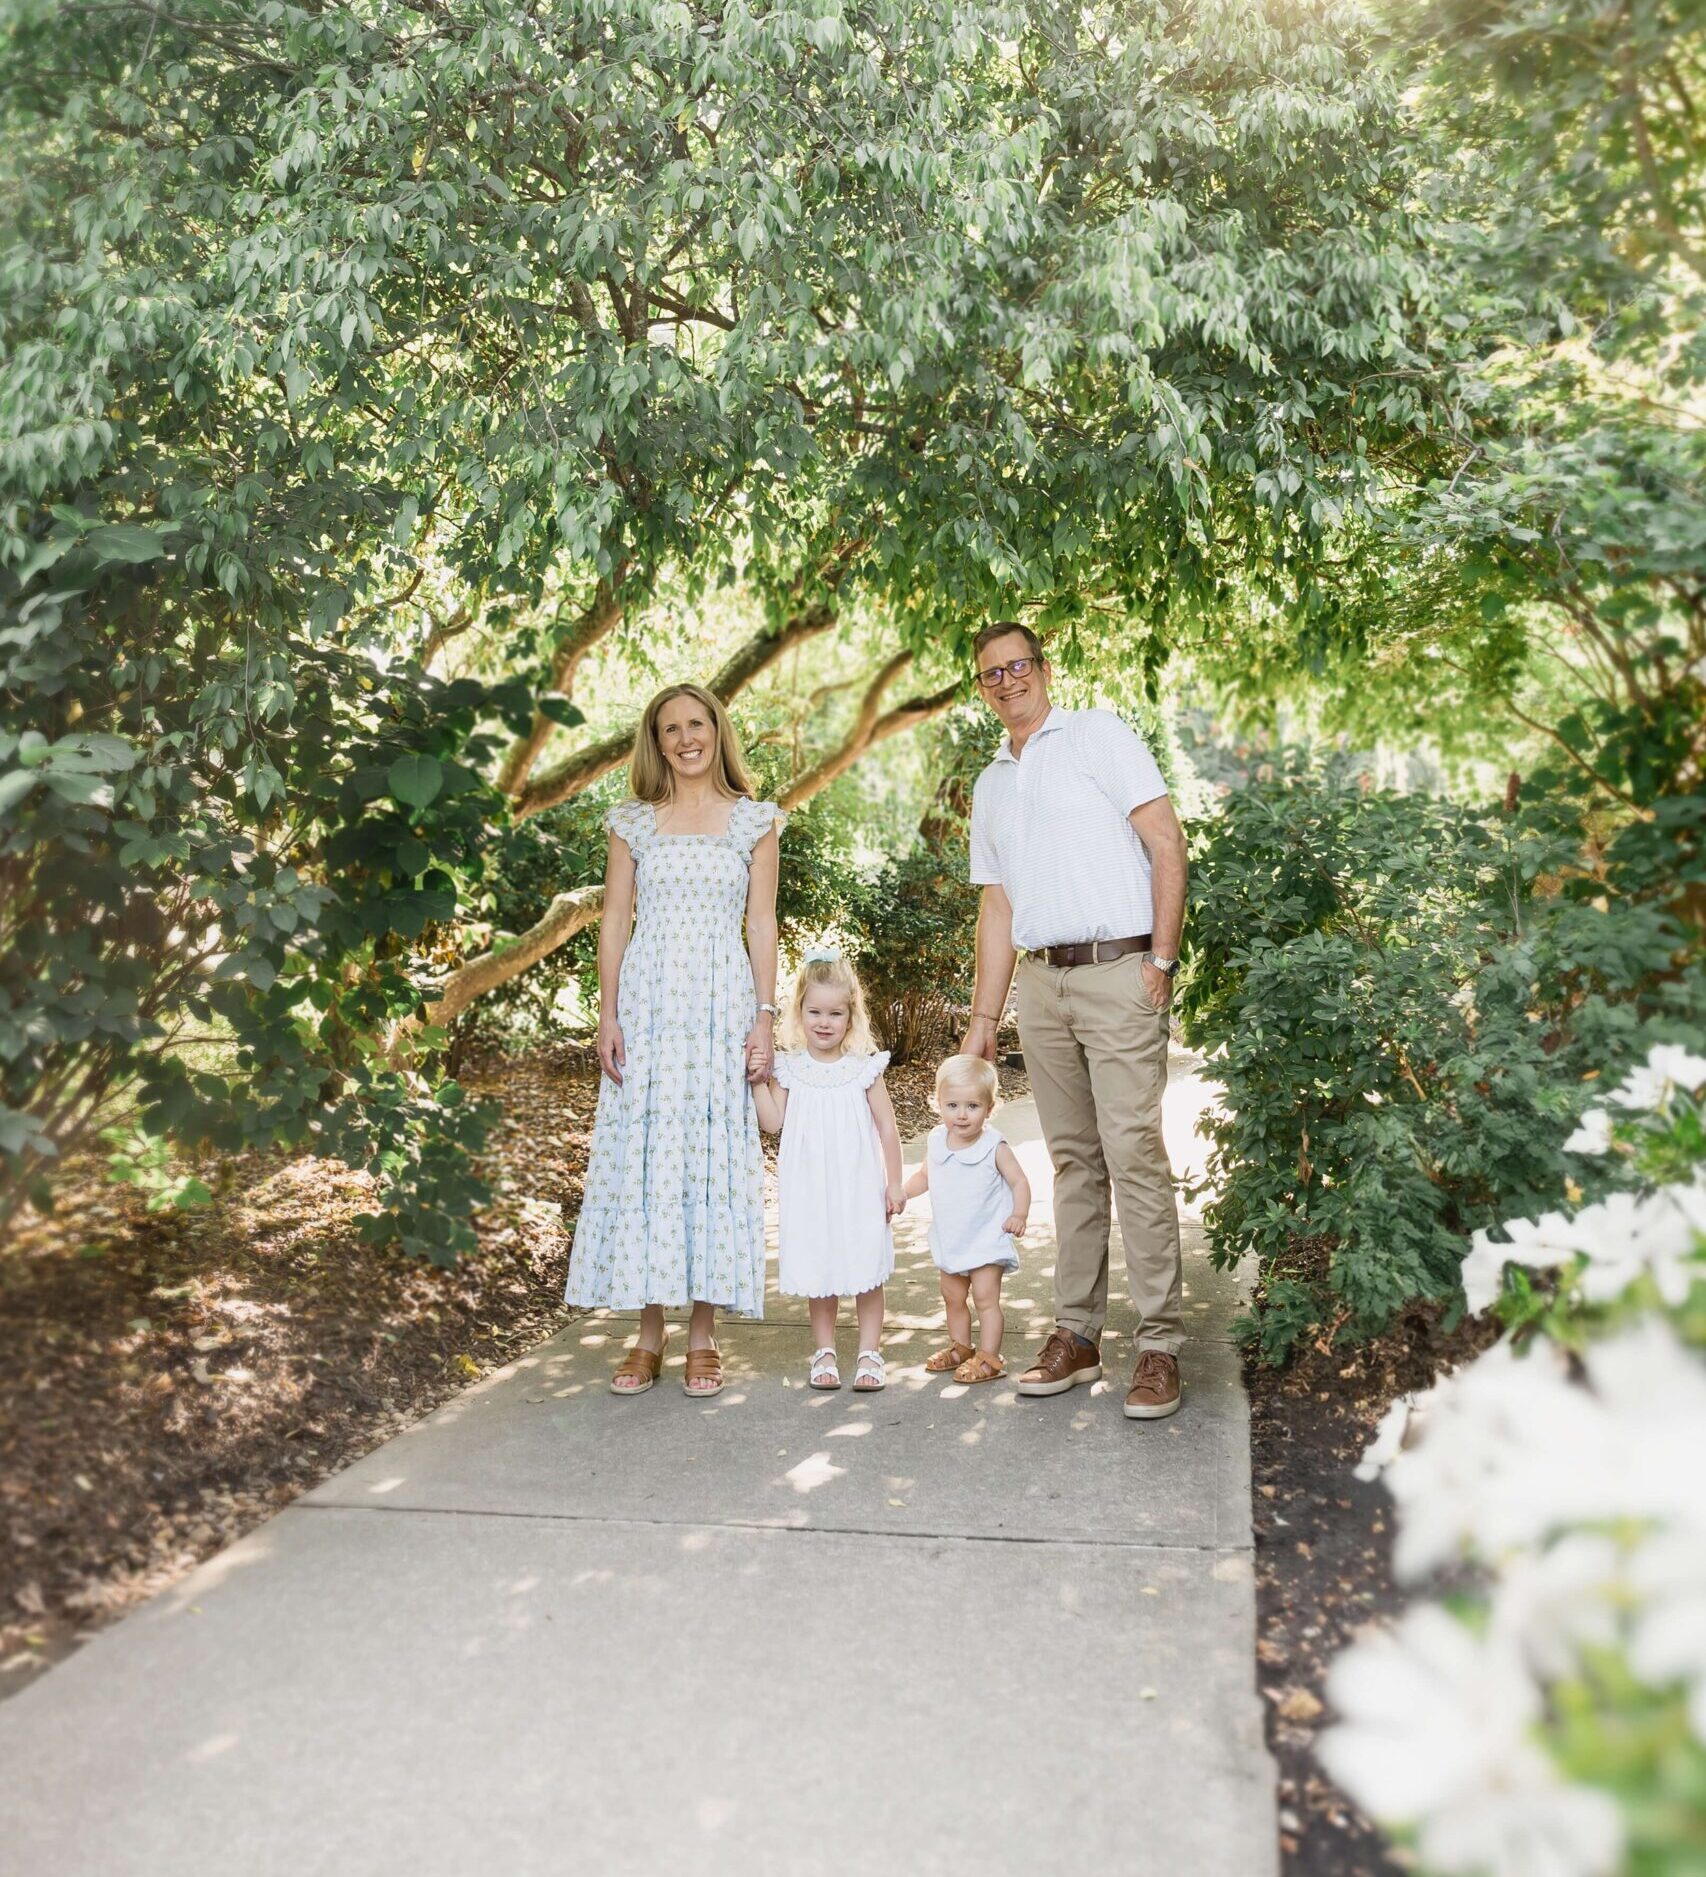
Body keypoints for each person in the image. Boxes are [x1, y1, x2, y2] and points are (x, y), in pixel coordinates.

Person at [959, 622, 1191, 1420]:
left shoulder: (1096, 734)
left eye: (1018, 665)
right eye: (990, 673)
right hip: (1041, 986)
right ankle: (1078, 1332)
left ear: (1044, 670)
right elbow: (997, 903)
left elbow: (1166, 841)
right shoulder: (991, 783)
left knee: (1132, 1153)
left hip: (1120, 972)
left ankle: (1158, 1342)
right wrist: (985, 1015)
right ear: (980, 687)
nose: (1006, 680)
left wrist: (1160, 959)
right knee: (1072, 1162)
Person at [565, 682, 785, 1399]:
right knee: (648, 1157)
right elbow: (615, 918)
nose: (685, 738)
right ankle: (648, 1332)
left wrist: (763, 1013)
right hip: (650, 1003)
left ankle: (703, 1336)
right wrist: (607, 1012)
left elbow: (761, 923)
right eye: (670, 729)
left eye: (696, 724)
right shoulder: (634, 821)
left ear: (717, 730)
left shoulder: (754, 821)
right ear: (655, 742)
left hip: (722, 1004)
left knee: (710, 1157)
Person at [752, 952, 904, 1393]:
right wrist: (758, 1081)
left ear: (850, 1015)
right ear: (799, 1011)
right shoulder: (790, 1067)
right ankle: (824, 1351)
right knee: (822, 1268)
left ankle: (871, 1353)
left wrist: (894, 1182)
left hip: (858, 1185)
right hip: (809, 1187)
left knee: (864, 1266)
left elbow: (888, 1128)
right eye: (815, 1011)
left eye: (835, 1013)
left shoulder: (863, 1067)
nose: (824, 1022)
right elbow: (773, 1122)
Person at [904, 1053, 1030, 1385]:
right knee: (953, 1296)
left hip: (987, 1237)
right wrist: (902, 1194)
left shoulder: (993, 1146)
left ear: (990, 1109)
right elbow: (924, 1176)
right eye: (953, 1105)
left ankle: (989, 1357)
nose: (962, 1115)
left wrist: (1019, 1213)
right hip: (952, 1237)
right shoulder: (936, 1140)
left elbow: (1019, 1181)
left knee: (986, 1299)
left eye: (972, 1106)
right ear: (938, 1103)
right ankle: (961, 1347)